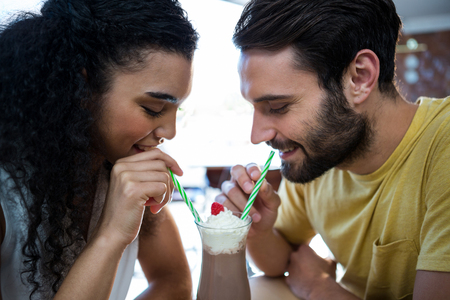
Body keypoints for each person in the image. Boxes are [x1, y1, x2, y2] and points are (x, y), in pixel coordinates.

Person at [216, 0, 450, 299]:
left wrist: (318, 288)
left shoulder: (442, 146)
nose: (257, 135)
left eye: (277, 106)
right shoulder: (322, 154)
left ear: (359, 78)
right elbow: (281, 262)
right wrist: (259, 228)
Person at [0, 0, 198, 299]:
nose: (169, 132)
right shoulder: (6, 199)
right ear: (83, 91)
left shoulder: (125, 178)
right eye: (153, 108)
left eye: (176, 110)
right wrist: (111, 236)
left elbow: (173, 281)